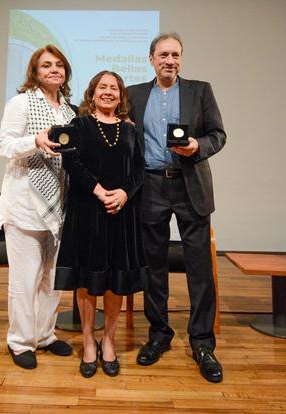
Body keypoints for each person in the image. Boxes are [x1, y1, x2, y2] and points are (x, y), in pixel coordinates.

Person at [127, 33, 226, 383]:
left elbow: (218, 134)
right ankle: (159, 335)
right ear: (151, 59)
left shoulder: (200, 90)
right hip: (150, 186)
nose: (170, 60)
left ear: (181, 59)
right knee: (153, 267)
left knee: (200, 268)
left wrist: (198, 145)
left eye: (176, 55)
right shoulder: (134, 94)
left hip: (190, 185)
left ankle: (202, 343)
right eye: (163, 55)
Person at [55, 71, 148, 378]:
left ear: (121, 96)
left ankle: (108, 340)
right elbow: (71, 160)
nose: (108, 92)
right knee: (86, 279)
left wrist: (123, 194)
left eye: (114, 88)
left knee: (115, 280)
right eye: (102, 87)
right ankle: (88, 340)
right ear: (92, 93)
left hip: (121, 213)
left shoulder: (131, 130)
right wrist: (98, 190)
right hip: (87, 211)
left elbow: (139, 170)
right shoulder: (79, 125)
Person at [0, 45, 77, 369]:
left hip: (60, 207)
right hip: (24, 205)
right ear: (35, 71)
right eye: (46, 65)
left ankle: (45, 336)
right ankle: (20, 341)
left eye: (59, 65)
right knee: (24, 280)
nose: (54, 69)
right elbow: (3, 145)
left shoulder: (70, 112)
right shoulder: (20, 102)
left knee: (51, 278)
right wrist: (35, 141)